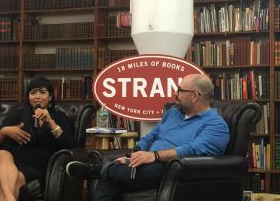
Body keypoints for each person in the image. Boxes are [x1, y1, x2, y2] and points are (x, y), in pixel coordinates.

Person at [66, 73, 230, 201]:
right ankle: (106, 171)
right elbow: (152, 135)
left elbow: (194, 149)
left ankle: (96, 170)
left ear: (194, 96)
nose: (175, 93)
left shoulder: (216, 124)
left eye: (180, 90)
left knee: (112, 174)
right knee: (110, 180)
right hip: (148, 165)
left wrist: (155, 156)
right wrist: (134, 154)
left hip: (173, 170)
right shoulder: (173, 112)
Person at [0, 77, 75, 201]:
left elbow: (69, 145)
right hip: (8, 161)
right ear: (28, 96)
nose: (37, 96)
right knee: (2, 153)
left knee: (12, 183)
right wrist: (5, 131)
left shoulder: (59, 117)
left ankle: (9, 197)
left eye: (42, 92)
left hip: (35, 167)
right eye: (33, 92)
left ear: (50, 97)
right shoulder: (18, 114)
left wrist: (50, 121)